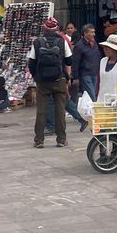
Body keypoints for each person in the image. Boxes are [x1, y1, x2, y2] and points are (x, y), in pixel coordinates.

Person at [27, 17, 73, 148]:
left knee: (41, 111)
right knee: (60, 111)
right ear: (57, 28)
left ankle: (39, 140)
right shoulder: (61, 42)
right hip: (59, 80)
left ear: (44, 29)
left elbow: (31, 63)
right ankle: (61, 139)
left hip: (43, 82)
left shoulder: (37, 42)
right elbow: (69, 61)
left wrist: (37, 76)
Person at [72, 23, 102, 101]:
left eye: (94, 32)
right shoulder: (79, 46)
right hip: (85, 74)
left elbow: (98, 56)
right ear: (85, 33)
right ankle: (94, 111)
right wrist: (75, 77)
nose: (93, 34)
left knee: (94, 93)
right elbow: (75, 62)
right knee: (91, 95)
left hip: (94, 73)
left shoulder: (94, 43)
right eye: (91, 32)